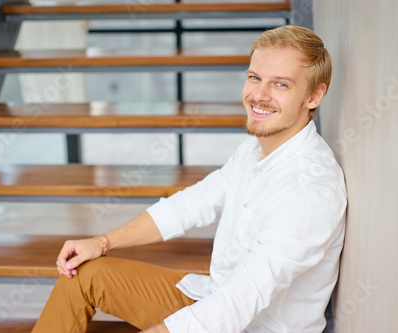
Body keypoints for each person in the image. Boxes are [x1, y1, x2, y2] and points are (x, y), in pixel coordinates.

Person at [32, 25, 347, 333]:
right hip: (211, 300)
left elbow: (239, 301)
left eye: (281, 85)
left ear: (314, 96)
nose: (259, 96)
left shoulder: (308, 191)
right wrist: (103, 242)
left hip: (253, 324)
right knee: (84, 273)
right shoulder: (255, 150)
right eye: (254, 78)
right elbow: (192, 204)